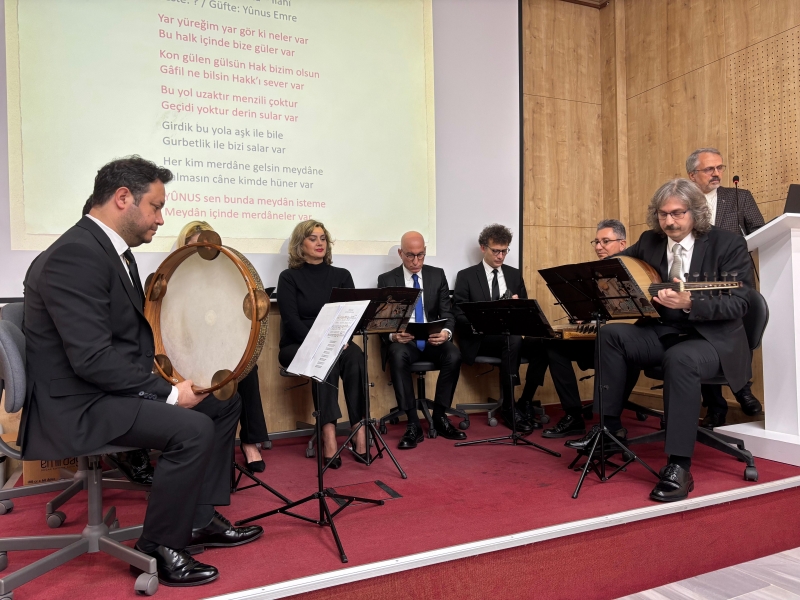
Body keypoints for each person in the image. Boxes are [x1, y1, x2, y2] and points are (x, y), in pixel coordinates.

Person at [19, 157, 262, 587]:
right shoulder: (75, 255)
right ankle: (159, 546)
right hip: (76, 405)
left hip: (102, 391)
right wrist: (168, 393)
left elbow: (121, 345)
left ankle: (198, 518)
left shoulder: (110, 253)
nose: (161, 219)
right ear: (122, 198)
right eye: (156, 206)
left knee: (223, 405)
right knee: (191, 429)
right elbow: (92, 358)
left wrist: (169, 383)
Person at [566, 179, 753, 502]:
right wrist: (592, 301)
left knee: (681, 358)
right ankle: (609, 431)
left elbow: (741, 303)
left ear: (696, 212)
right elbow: (613, 268)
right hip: (664, 332)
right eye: (663, 214)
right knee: (611, 335)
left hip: (713, 339)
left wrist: (691, 302)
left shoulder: (729, 244)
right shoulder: (650, 242)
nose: (669, 221)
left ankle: (679, 465)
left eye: (678, 213)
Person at [178, 221, 270, 473]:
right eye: (194, 246)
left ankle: (250, 442)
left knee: (247, 368)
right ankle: (217, 447)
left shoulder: (225, 277)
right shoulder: (178, 280)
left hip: (220, 347)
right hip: (190, 353)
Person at [276, 220, 367, 469]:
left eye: (323, 238)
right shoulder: (289, 277)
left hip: (338, 342)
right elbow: (291, 320)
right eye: (312, 238)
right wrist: (322, 342)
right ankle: (328, 434)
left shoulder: (342, 275)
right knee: (324, 358)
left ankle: (359, 428)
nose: (320, 243)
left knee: (356, 356)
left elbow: (351, 315)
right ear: (300, 244)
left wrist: (341, 340)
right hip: (298, 344)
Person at [686, 147, 764, 427]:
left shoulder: (739, 197)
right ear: (692, 175)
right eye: (710, 169)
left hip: (735, 277)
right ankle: (715, 408)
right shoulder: (683, 202)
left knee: (738, 332)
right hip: (699, 281)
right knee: (703, 336)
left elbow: (760, 231)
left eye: (720, 168)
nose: (717, 173)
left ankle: (742, 388)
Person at [453, 224, 548, 434]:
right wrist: (484, 321)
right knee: (512, 340)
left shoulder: (513, 275)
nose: (500, 256)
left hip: (511, 337)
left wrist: (516, 307)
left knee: (543, 342)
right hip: (481, 339)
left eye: (504, 251)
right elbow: (458, 313)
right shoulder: (467, 276)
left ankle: (525, 400)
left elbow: (526, 313)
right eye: (496, 251)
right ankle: (508, 407)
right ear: (483, 248)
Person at [377, 231, 466, 449]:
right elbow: (381, 321)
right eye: (410, 255)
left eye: (421, 255)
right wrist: (393, 335)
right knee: (396, 353)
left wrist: (446, 333)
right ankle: (413, 424)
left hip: (433, 339)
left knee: (454, 354)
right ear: (400, 253)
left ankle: (440, 417)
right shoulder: (387, 280)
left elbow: (448, 313)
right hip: (405, 342)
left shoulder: (437, 275)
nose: (416, 261)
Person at [541, 219, 628, 439]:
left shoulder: (634, 272)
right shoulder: (592, 273)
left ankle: (610, 422)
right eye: (596, 242)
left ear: (622, 244)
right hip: (596, 340)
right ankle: (573, 415)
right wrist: (583, 315)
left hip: (623, 345)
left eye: (605, 241)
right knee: (554, 346)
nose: (599, 247)